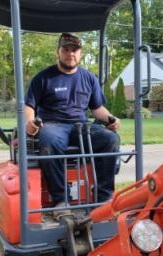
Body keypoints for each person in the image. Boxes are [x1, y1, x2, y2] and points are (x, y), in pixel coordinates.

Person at [25, 32, 120, 211]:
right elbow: (29, 105)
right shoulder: (43, 78)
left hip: (80, 127)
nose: (71, 54)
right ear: (58, 52)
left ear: (80, 53)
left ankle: (103, 199)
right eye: (66, 50)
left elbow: (97, 108)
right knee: (49, 141)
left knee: (111, 139)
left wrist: (110, 119)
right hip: (53, 125)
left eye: (75, 50)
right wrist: (29, 121)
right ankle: (61, 200)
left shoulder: (89, 78)